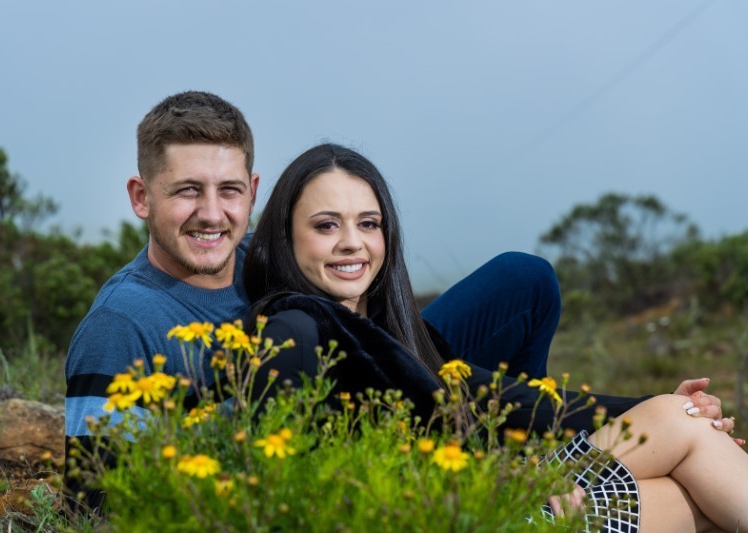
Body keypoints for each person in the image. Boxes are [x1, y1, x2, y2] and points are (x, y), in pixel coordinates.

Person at [242, 143, 748, 531]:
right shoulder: (295, 326)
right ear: (286, 235)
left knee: (685, 449)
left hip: (494, 496)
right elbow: (300, 477)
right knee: (684, 441)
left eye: (368, 223)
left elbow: (506, 397)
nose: (352, 242)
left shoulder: (388, 333)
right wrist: (499, 483)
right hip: (467, 514)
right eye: (326, 226)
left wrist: (650, 402)